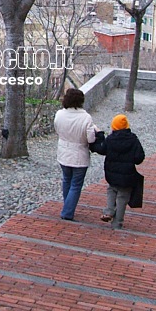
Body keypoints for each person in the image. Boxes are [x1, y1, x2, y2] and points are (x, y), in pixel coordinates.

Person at [92, 113, 145, 229]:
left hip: (111, 173)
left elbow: (101, 149)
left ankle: (109, 211)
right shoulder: (133, 139)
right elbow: (139, 158)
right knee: (122, 198)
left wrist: (99, 136)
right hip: (127, 176)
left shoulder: (110, 139)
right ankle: (117, 223)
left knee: (111, 190)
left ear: (114, 126)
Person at [54, 88, 97, 221]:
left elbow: (57, 129)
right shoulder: (86, 117)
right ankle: (67, 211)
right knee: (76, 184)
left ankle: (68, 206)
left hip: (63, 152)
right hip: (79, 154)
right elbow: (91, 139)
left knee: (67, 180)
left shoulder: (59, 114)